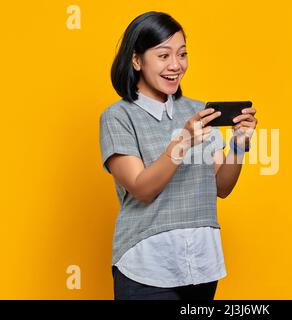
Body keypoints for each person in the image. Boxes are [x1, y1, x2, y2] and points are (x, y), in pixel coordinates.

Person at [99, 11, 258, 300]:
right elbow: (142, 188)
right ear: (137, 60)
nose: (176, 65)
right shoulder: (118, 117)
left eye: (182, 54)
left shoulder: (199, 112)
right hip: (147, 266)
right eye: (163, 56)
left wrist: (238, 145)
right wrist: (182, 141)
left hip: (201, 264)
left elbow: (222, 187)